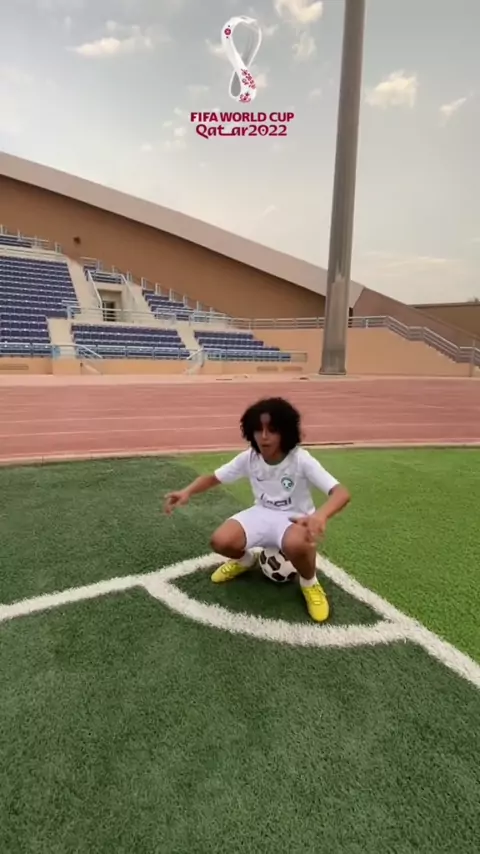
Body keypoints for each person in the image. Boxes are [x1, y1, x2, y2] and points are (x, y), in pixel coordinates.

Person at [164, 397, 351, 622]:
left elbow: (341, 493)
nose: (263, 436)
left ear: (285, 432)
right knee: (220, 541)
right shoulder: (249, 458)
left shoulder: (301, 460)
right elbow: (214, 478)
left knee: (297, 544)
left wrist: (320, 515)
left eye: (272, 430)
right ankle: (245, 561)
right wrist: (187, 491)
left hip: (295, 518)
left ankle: (309, 583)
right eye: (257, 430)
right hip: (262, 512)